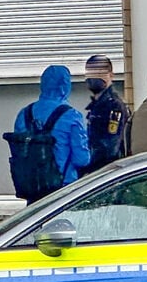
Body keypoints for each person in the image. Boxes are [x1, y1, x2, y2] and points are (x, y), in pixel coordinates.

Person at [11, 65, 90, 202]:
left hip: (32, 189)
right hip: (62, 190)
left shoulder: (24, 114)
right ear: (65, 86)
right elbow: (82, 159)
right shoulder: (71, 116)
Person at [82, 54, 130, 174]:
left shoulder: (114, 106)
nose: (94, 77)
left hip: (108, 173)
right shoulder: (96, 106)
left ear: (111, 76)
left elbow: (111, 146)